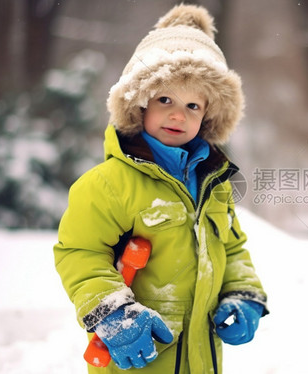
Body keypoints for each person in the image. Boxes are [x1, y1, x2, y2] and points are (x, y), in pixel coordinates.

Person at [53, 4, 268, 373]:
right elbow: (79, 252)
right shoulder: (108, 184)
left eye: (193, 105)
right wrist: (111, 312)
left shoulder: (210, 182)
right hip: (137, 358)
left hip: (202, 358)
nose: (178, 115)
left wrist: (243, 293)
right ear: (139, 103)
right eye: (165, 99)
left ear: (208, 116)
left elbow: (231, 246)